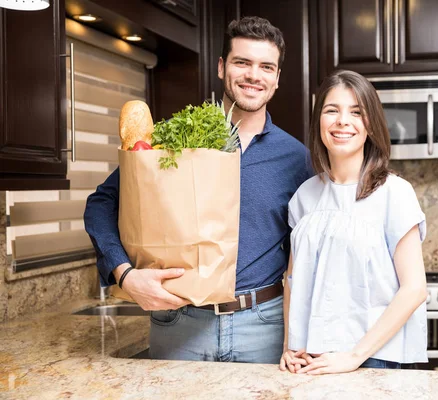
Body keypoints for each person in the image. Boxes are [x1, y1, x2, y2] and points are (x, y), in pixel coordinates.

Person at [84, 16, 312, 363]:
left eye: (266, 66)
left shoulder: (298, 159)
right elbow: (101, 204)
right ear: (222, 67)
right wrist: (125, 275)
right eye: (242, 62)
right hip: (179, 322)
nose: (254, 75)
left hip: (263, 327)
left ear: (277, 78)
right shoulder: (171, 140)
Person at [279, 70, 428, 375]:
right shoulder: (304, 196)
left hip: (374, 358)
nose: (342, 121)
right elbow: (292, 281)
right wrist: (289, 346)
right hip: (311, 359)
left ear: (370, 124)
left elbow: (414, 289)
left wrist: (354, 356)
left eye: (356, 112)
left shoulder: (395, 193)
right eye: (331, 110)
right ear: (318, 121)